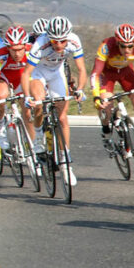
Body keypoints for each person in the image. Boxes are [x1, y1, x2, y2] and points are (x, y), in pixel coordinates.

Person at [21, 16, 87, 186]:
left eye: (62, 41)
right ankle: (38, 138)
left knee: (62, 117)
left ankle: (66, 163)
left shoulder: (74, 41)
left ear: (68, 37)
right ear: (48, 37)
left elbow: (81, 69)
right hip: (38, 73)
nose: (58, 45)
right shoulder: (40, 44)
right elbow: (26, 73)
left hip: (57, 73)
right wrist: (27, 97)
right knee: (39, 101)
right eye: (54, 41)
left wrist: (80, 89)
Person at [90, 23, 134, 155]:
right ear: (117, 43)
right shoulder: (106, 46)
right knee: (106, 105)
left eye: (130, 46)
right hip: (107, 74)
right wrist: (96, 96)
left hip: (126, 72)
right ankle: (106, 130)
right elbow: (95, 73)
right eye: (123, 46)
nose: (127, 50)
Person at [0, 26, 33, 151]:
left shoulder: (32, 52)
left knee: (27, 110)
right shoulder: (0, 55)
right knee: (1, 96)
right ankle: (0, 128)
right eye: (13, 50)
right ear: (7, 48)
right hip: (4, 78)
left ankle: (30, 142)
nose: (17, 54)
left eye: (20, 49)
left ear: (25, 46)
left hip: (21, 79)